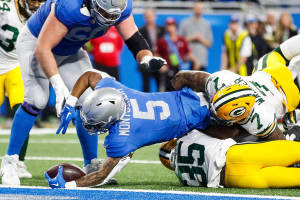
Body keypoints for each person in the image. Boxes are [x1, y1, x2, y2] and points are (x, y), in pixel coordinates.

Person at [1, 0, 167, 186]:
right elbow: (43, 48)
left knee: (90, 101)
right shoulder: (70, 6)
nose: (110, 18)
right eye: (106, 13)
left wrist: (147, 58)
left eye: (114, 14)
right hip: (36, 44)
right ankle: (10, 160)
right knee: (37, 100)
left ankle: (90, 164)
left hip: (70, 50)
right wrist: (58, 86)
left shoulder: (121, 5)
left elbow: (135, 39)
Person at [44, 68, 210, 188]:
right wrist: (71, 102)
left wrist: (69, 186)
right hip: (192, 95)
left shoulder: (122, 137)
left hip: (204, 119)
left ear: (111, 118)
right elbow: (89, 75)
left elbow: (102, 177)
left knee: (174, 156)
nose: (92, 126)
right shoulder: (114, 90)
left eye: (97, 122)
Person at [167, 34, 300, 141]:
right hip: (269, 72)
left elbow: (231, 132)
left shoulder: (259, 118)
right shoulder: (220, 81)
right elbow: (181, 77)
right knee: (282, 53)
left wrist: (192, 128)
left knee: (257, 139)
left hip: (288, 96)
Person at [160, 129, 300, 189]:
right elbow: (229, 133)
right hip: (238, 155)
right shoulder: (188, 136)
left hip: (236, 180)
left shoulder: (183, 179)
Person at [0, 0, 45, 183]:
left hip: (17, 65)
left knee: (24, 106)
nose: (37, 4)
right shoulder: (4, 8)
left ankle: (17, 161)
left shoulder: (46, 14)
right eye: (34, 0)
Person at [156, 17, 200, 90]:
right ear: (166, 28)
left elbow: (189, 53)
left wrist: (196, 61)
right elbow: (156, 54)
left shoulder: (181, 40)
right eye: (168, 25)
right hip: (168, 69)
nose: (170, 27)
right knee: (165, 90)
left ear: (175, 26)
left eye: (172, 25)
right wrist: (160, 65)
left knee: (181, 89)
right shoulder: (162, 41)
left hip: (180, 69)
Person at [179, 2, 213, 72]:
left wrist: (201, 39)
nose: (198, 10)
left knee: (201, 82)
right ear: (193, 9)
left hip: (201, 60)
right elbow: (178, 40)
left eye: (200, 8)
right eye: (197, 8)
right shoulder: (185, 23)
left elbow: (209, 43)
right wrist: (192, 37)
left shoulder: (206, 24)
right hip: (187, 60)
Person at [139, 8, 165, 92]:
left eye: (151, 16)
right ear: (144, 18)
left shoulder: (162, 30)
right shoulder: (140, 31)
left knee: (160, 85)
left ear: (155, 17)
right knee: (146, 86)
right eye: (147, 16)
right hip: (146, 61)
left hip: (158, 60)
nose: (149, 18)